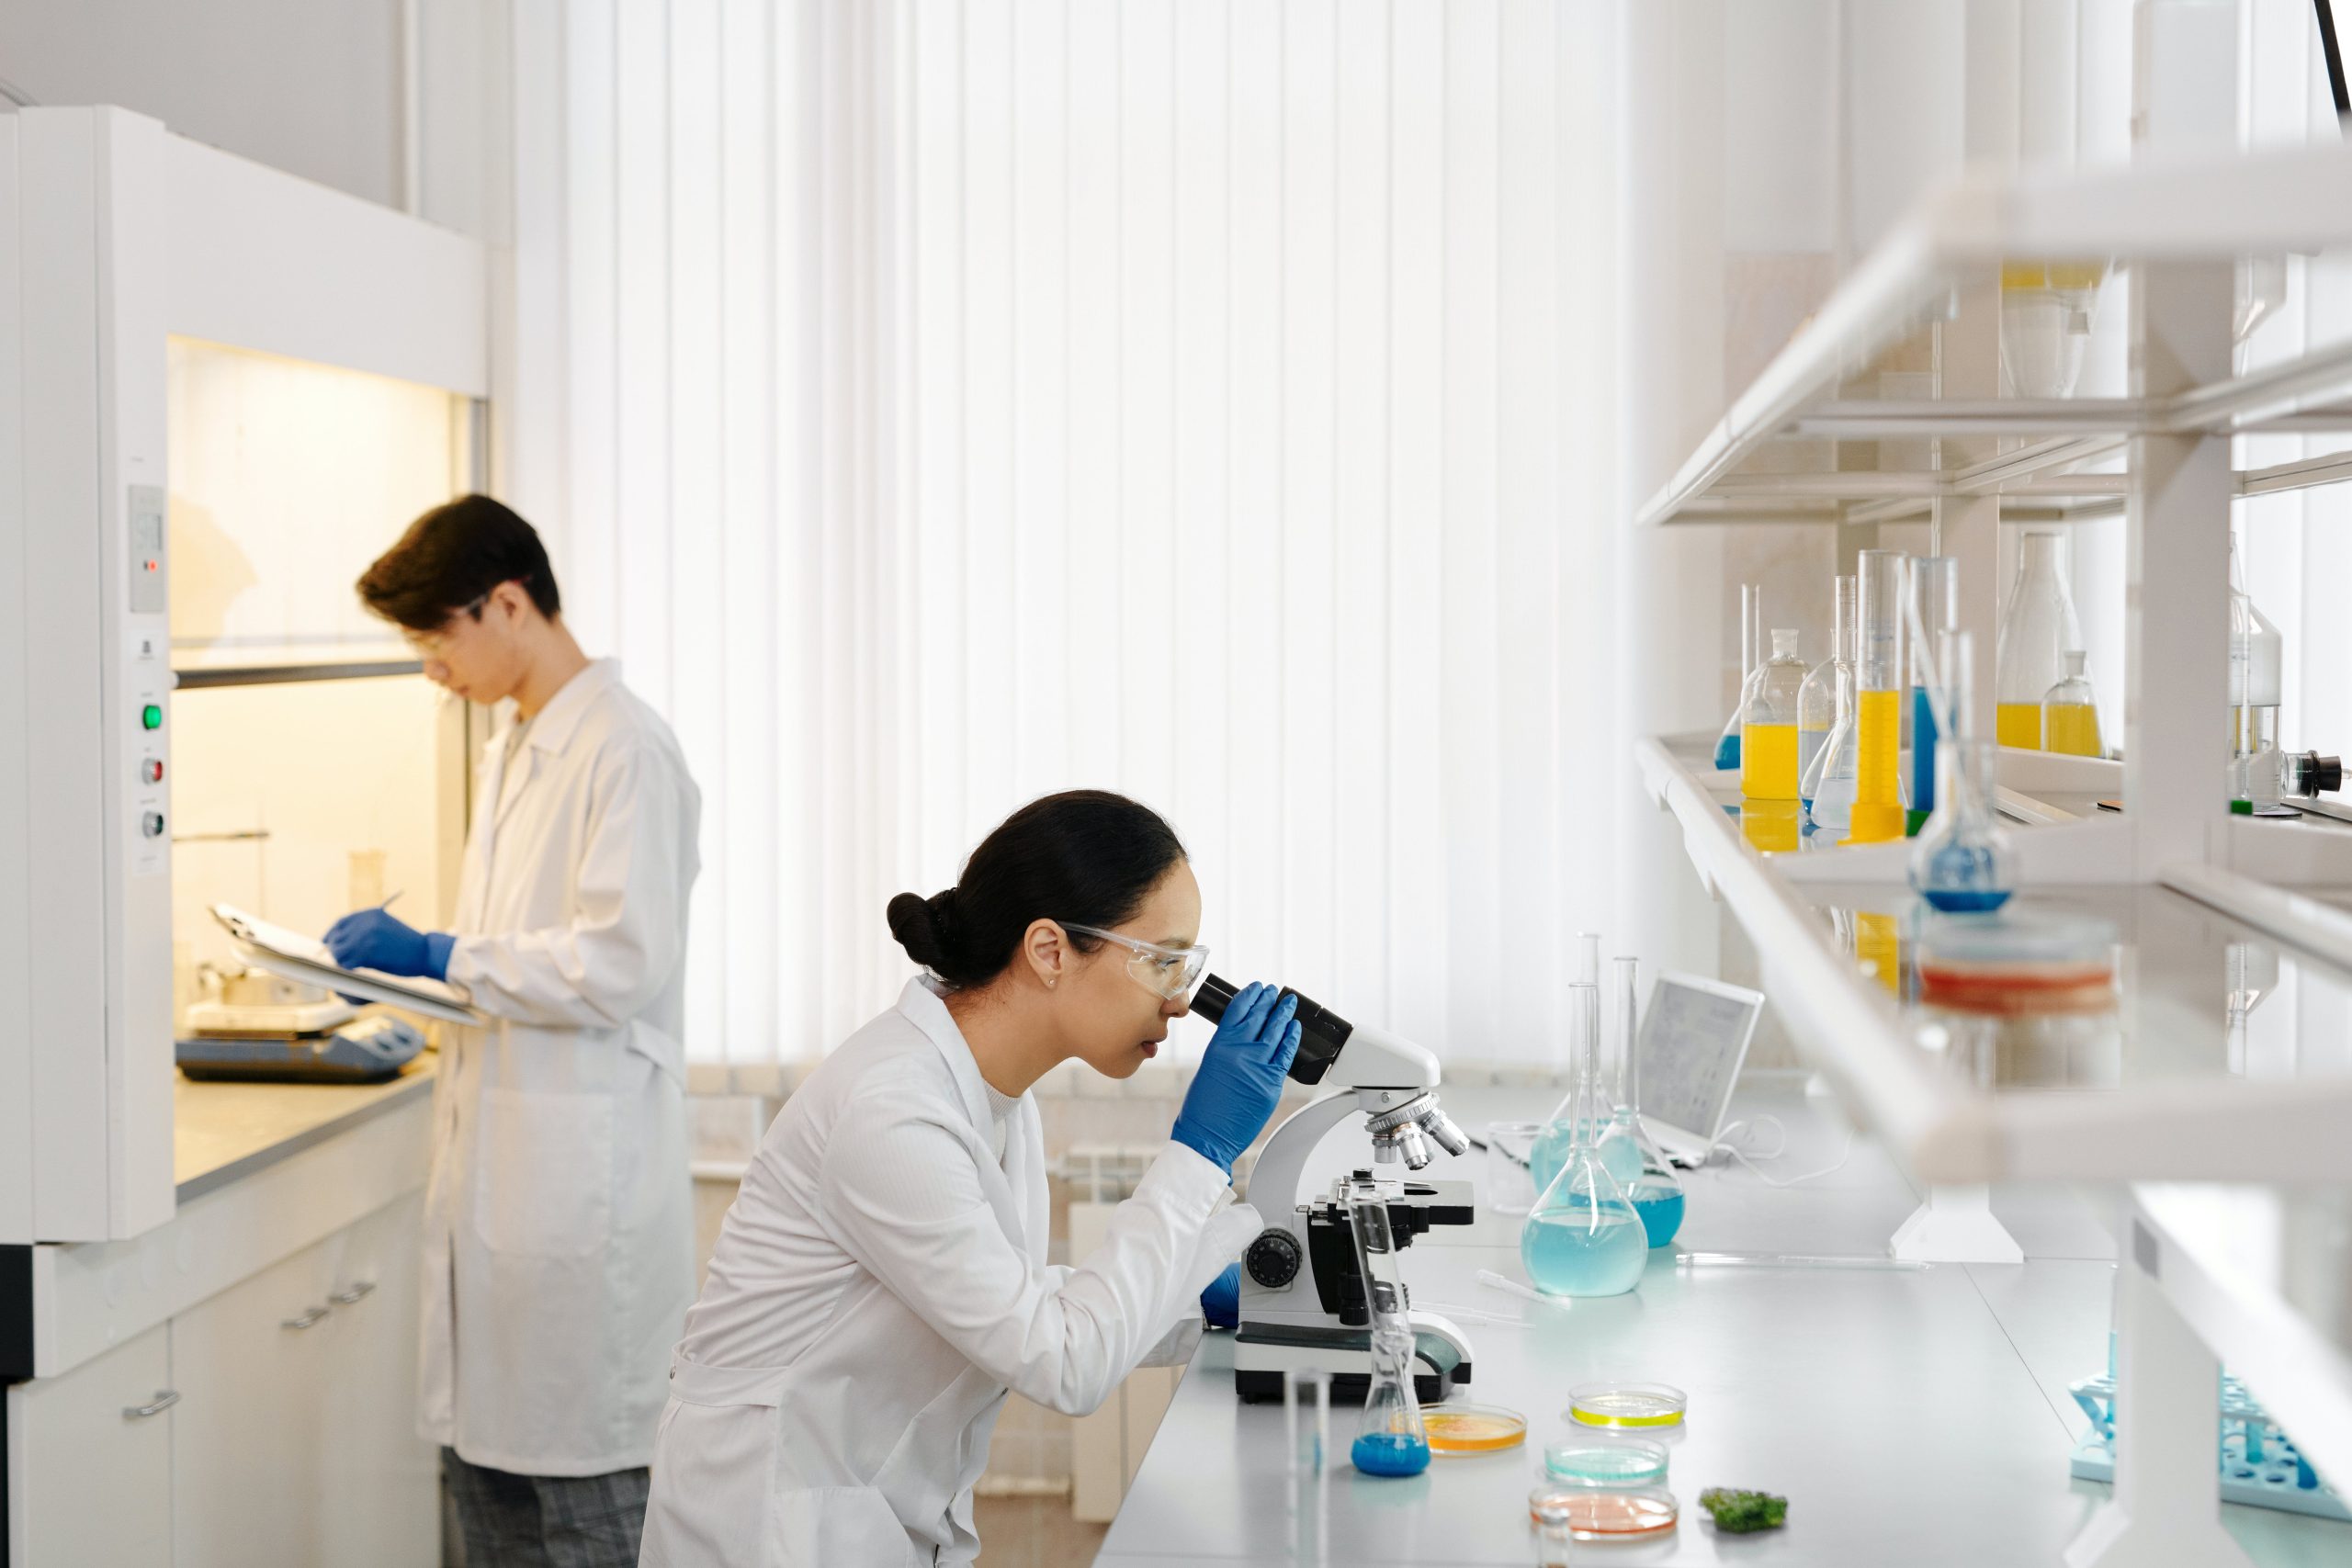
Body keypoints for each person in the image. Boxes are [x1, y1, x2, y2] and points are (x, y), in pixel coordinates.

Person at [637, 791, 1299, 1567]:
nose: (1183, 1000)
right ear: (1050, 950)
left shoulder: (992, 1094)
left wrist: (1192, 1297)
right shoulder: (891, 1106)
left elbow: (1001, 1296)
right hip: (767, 1521)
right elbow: (1062, 1361)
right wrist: (1201, 1151)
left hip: (854, 1507)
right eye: (1161, 960)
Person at [322, 494, 702, 1568]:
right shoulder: (514, 746)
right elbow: (518, 966)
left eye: (436, 637)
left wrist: (443, 955)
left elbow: (617, 964)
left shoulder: (627, 751)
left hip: (582, 1220)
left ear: (507, 603)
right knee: (489, 1509)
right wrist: (421, 980)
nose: (430, 667)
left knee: (590, 1521)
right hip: (501, 1211)